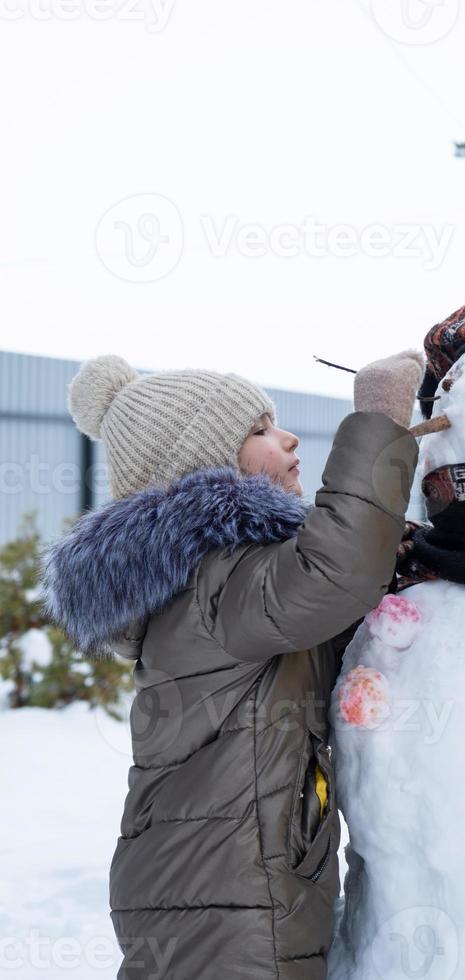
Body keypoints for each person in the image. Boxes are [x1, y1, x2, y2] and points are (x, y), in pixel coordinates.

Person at [41, 350, 423, 979]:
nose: (289, 435)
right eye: (259, 430)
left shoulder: (214, 584)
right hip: (226, 897)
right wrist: (380, 420)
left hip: (208, 884)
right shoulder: (218, 580)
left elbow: (321, 613)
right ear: (208, 467)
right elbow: (335, 574)